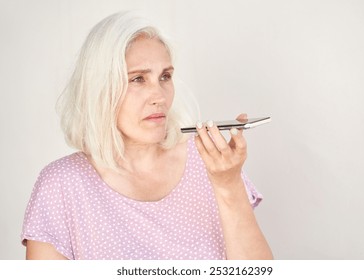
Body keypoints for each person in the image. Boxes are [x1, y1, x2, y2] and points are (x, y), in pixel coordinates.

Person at [21, 11, 273, 260]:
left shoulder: (212, 163)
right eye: (138, 79)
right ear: (99, 89)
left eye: (165, 76)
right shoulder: (62, 185)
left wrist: (228, 186)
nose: (160, 97)